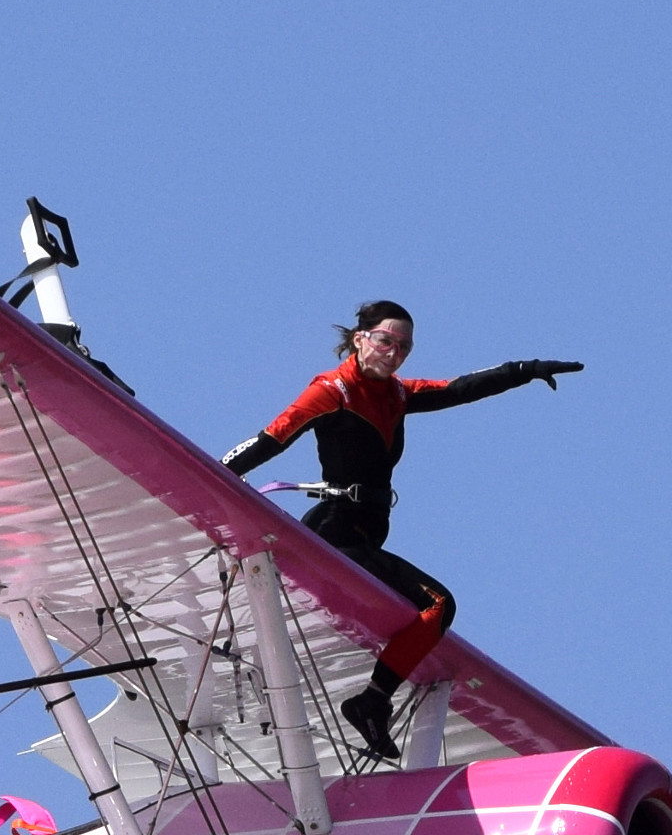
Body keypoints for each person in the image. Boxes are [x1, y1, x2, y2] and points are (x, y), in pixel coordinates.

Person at [222, 304, 582, 762]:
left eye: (404, 347)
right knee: (437, 604)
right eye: (385, 341)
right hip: (336, 533)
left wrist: (524, 370)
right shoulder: (332, 391)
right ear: (360, 339)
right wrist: (215, 475)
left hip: (364, 534)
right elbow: (270, 438)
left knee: (423, 611)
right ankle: (372, 702)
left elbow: (459, 388)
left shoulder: (396, 393)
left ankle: (372, 701)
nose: (394, 353)